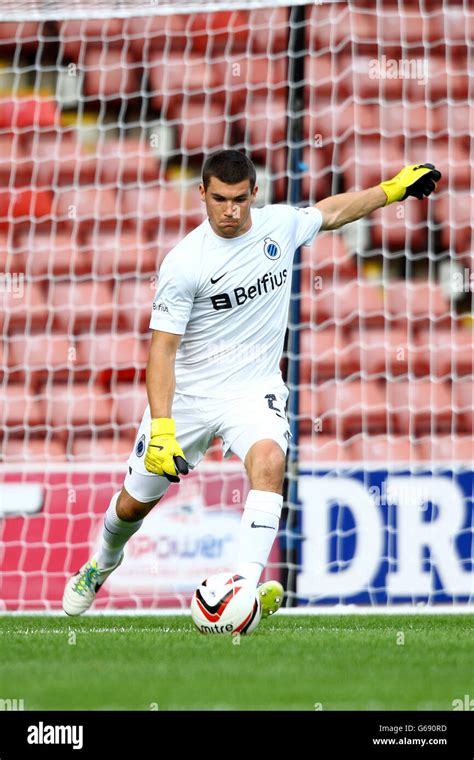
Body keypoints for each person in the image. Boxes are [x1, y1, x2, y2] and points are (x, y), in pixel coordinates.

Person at [62, 150, 441, 617]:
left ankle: (242, 588)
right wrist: (162, 426)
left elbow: (333, 211)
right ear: (201, 194)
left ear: (254, 195)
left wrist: (392, 190)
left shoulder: (277, 226)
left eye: (239, 199)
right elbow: (161, 350)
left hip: (253, 390)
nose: (230, 210)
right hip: (190, 398)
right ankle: (100, 564)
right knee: (131, 508)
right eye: (219, 199)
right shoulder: (185, 263)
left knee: (269, 460)